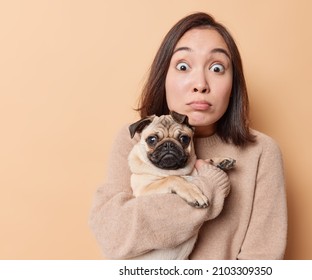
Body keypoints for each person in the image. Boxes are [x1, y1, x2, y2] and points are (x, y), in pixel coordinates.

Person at [89, 12, 287, 260]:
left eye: (217, 68)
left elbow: (261, 262)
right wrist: (207, 187)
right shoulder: (135, 140)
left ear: (233, 83)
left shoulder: (261, 152)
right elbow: (113, 236)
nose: (200, 84)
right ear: (164, 76)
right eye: (183, 66)